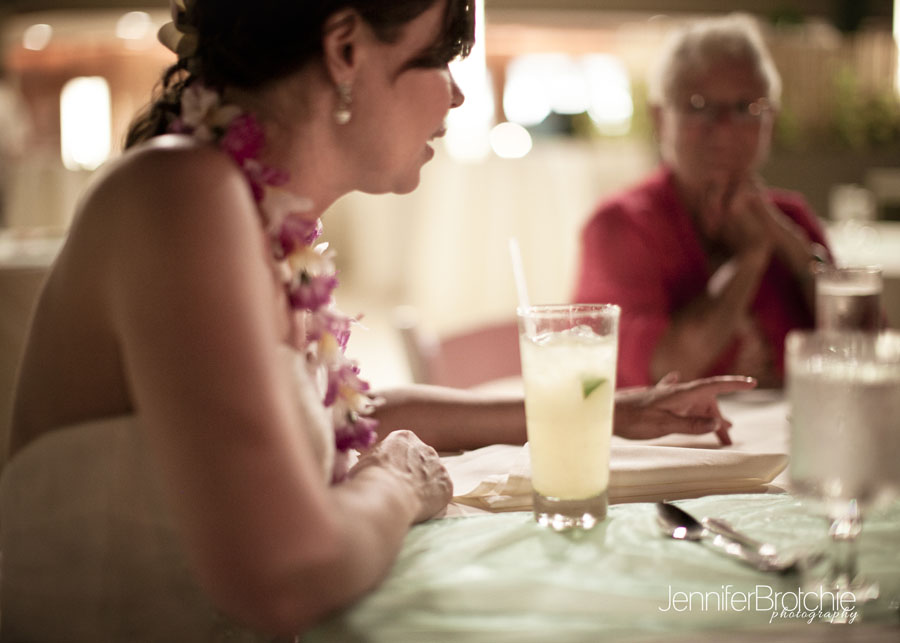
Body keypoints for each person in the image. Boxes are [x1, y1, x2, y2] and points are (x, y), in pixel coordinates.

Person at [0, 1, 754, 640]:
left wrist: (603, 410)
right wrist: (396, 483)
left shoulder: (255, 213)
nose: (457, 97)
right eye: (443, 57)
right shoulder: (180, 196)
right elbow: (286, 574)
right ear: (347, 49)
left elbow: (328, 421)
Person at [574, 14, 831, 389]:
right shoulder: (619, 226)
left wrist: (795, 250)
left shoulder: (792, 218)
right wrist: (751, 259)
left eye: (746, 108)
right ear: (660, 119)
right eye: (698, 105)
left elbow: (868, 351)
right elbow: (661, 370)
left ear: (770, 123)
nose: (724, 126)